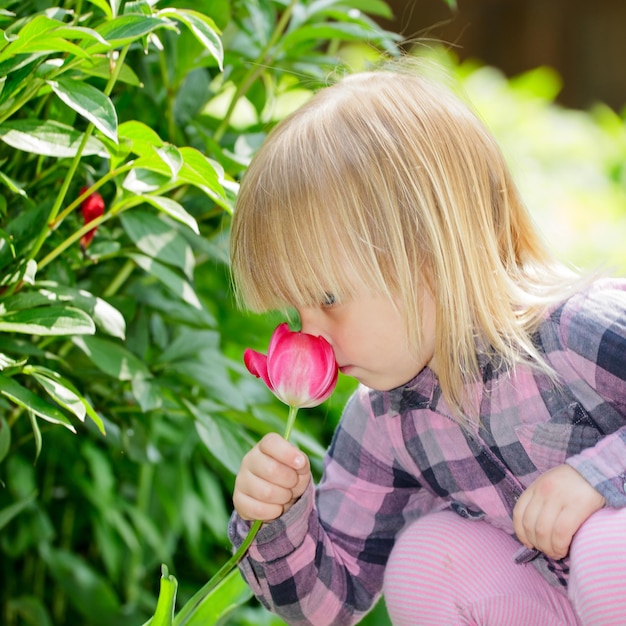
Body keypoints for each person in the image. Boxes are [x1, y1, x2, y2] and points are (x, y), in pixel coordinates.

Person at [228, 60, 626, 626]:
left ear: (429, 256)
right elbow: (326, 607)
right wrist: (278, 517)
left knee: (609, 547)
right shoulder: (387, 422)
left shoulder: (576, 332)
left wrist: (599, 475)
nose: (311, 334)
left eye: (329, 297)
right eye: (298, 309)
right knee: (425, 559)